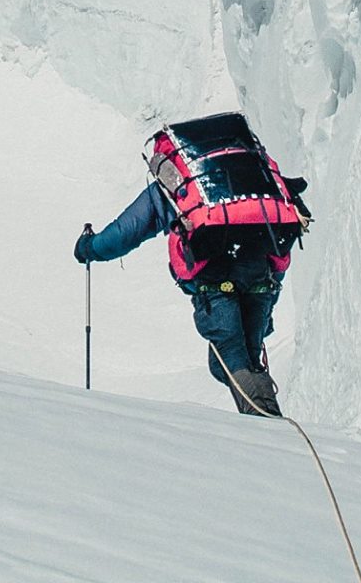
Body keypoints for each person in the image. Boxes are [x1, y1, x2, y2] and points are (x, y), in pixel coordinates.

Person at [73, 113, 307, 416]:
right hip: (261, 277)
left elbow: (126, 231)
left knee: (229, 357)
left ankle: (268, 427)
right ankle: (266, 420)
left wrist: (90, 248)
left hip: (215, 284)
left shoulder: (177, 188)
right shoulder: (252, 173)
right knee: (242, 357)